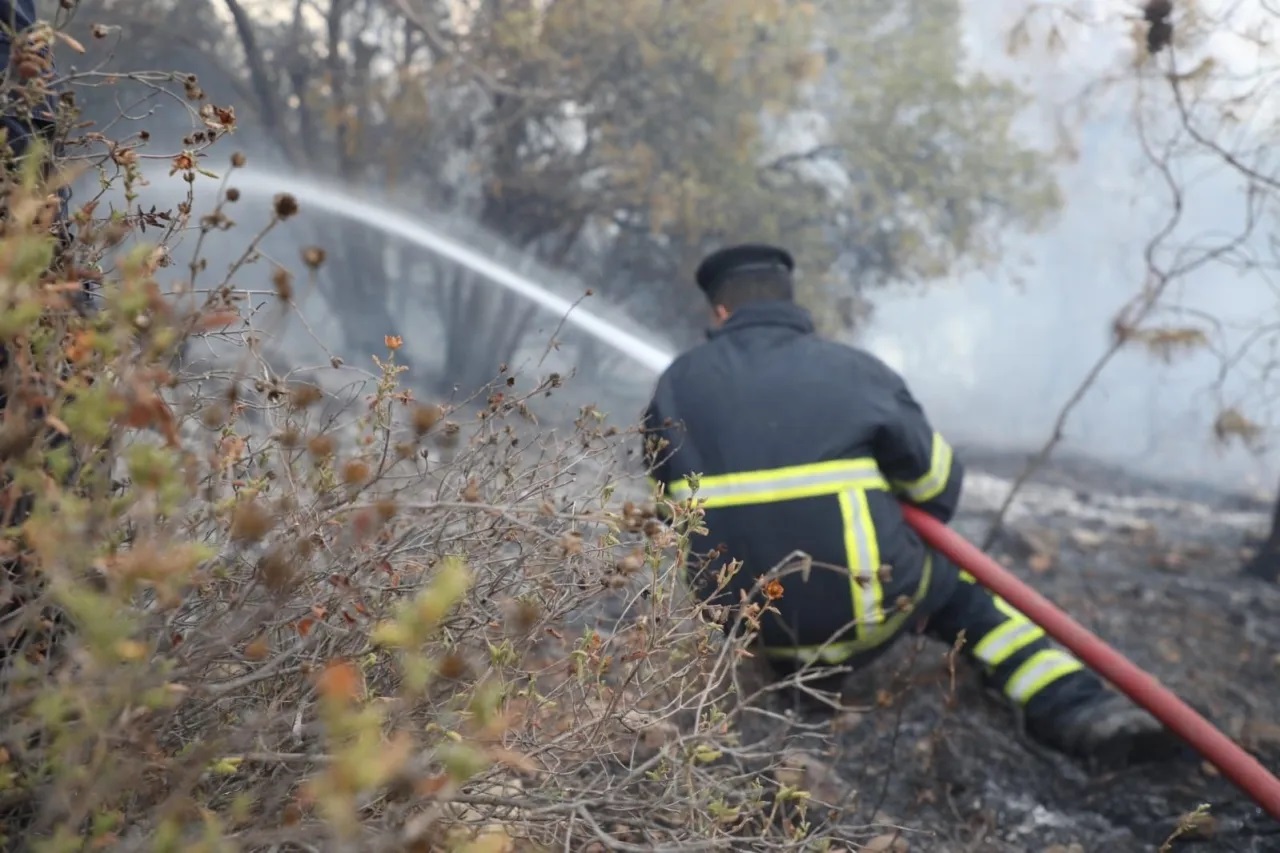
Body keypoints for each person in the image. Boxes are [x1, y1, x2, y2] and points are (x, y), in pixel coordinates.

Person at [640, 243, 1183, 766]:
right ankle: (1077, 710)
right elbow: (937, 485)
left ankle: (801, 692)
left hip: (747, 624)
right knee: (965, 596)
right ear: (790, 301)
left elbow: (668, 513)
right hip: (864, 612)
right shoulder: (854, 371)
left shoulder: (674, 385)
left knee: (801, 609)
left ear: (721, 310)